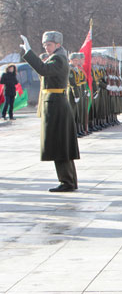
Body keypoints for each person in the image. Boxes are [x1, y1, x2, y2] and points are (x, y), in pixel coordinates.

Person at [20, 31, 80, 192]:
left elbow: (43, 70)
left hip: (56, 104)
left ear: (58, 45)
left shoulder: (58, 58)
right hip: (56, 103)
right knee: (62, 143)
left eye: (49, 45)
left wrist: (28, 53)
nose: (46, 47)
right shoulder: (58, 57)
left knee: (59, 144)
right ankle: (70, 180)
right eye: (45, 45)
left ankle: (66, 181)